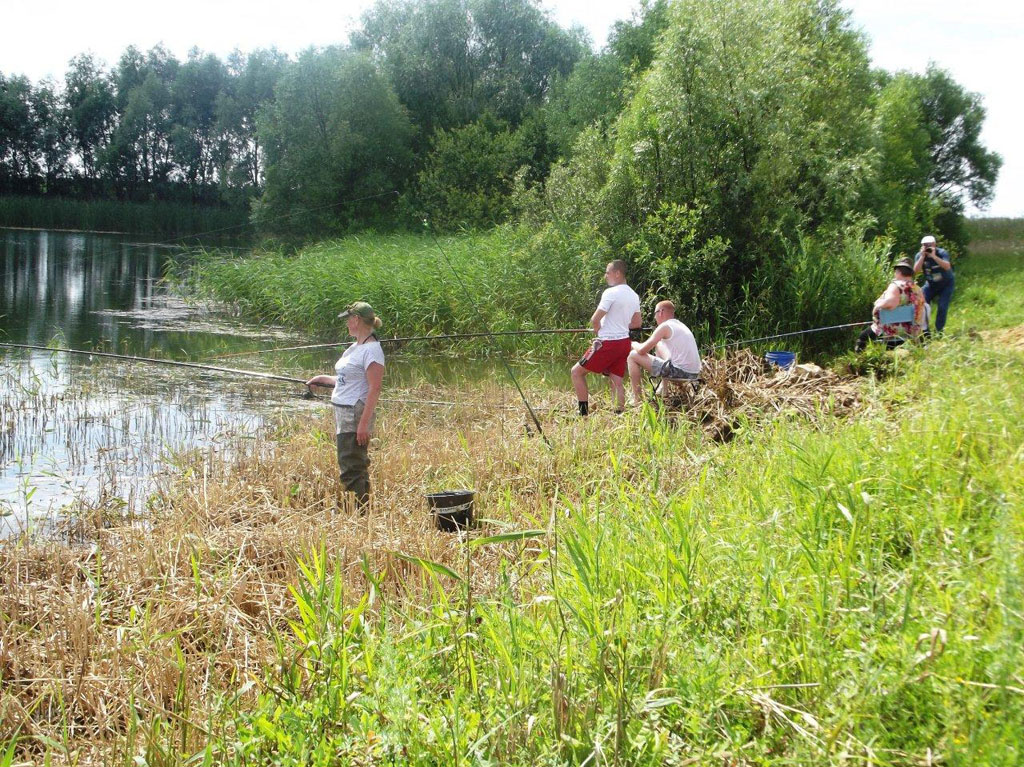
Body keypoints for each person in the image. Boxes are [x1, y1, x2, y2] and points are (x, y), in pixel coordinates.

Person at [305, 301, 385, 510]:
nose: (347, 324)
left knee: (352, 466)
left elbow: (374, 388)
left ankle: (358, 512)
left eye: (348, 320)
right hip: (344, 412)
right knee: (349, 462)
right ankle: (357, 508)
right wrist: (322, 379)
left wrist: (363, 425)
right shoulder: (355, 347)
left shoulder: (372, 351)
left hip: (354, 414)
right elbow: (346, 379)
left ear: (356, 320)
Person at [571, 260, 641, 415]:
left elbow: (595, 320)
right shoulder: (634, 295)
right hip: (624, 343)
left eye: (607, 272)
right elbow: (637, 322)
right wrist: (619, 324)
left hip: (607, 343)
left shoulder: (611, 293)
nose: (605, 276)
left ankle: (582, 413)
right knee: (617, 381)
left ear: (617, 273)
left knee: (576, 372)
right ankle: (619, 415)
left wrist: (598, 331)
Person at [627, 300, 701, 404]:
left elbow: (642, 350)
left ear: (661, 312)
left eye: (655, 313)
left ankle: (636, 399)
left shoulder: (664, 326)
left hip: (679, 373)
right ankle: (663, 388)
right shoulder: (680, 325)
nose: (654, 317)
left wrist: (632, 343)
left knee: (632, 355)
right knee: (659, 343)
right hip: (695, 374)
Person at [855, 258, 926, 351]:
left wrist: (878, 305)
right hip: (912, 332)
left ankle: (858, 360)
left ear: (898, 272)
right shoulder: (917, 288)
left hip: (891, 331)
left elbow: (891, 303)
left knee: (863, 338)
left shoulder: (896, 285)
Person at [913, 234, 954, 333]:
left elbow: (947, 266)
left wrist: (934, 256)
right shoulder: (919, 255)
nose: (927, 247)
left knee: (942, 306)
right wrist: (922, 257)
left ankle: (939, 331)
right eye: (925, 245)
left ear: (935, 244)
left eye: (930, 245)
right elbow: (915, 271)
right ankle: (925, 330)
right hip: (931, 284)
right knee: (921, 304)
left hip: (946, 284)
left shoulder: (942, 253)